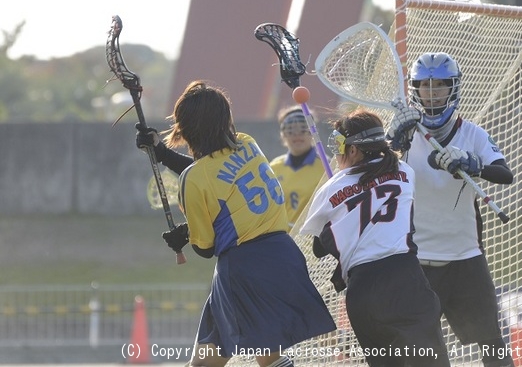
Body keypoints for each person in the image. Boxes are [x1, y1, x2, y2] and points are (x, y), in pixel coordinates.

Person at [136, 80, 336, 367]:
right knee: (207, 361)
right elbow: (213, 175)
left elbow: (205, 248)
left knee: (270, 359)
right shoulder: (246, 143)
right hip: (283, 256)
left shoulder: (194, 180)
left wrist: (188, 233)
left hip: (244, 268)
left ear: (186, 128)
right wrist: (162, 152)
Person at [386, 52, 515, 367]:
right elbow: (381, 176)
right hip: (417, 263)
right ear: (415, 90)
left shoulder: (472, 134)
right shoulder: (403, 137)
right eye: (425, 86)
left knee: (494, 347)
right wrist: (394, 144)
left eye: (440, 85)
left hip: (465, 260)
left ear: (453, 88)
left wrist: (473, 163)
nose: (432, 93)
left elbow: (504, 174)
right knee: (426, 356)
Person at [300, 109, 450, 367]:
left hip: (363, 292)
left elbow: (318, 247)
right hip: (405, 280)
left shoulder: (331, 188)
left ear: (355, 150)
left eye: (338, 144)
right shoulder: (405, 172)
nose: (336, 153)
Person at [269, 106, 325, 229]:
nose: (297, 135)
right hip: (281, 238)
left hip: (311, 241)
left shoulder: (326, 167)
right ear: (283, 134)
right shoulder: (273, 168)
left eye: (303, 129)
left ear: (313, 132)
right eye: (290, 130)